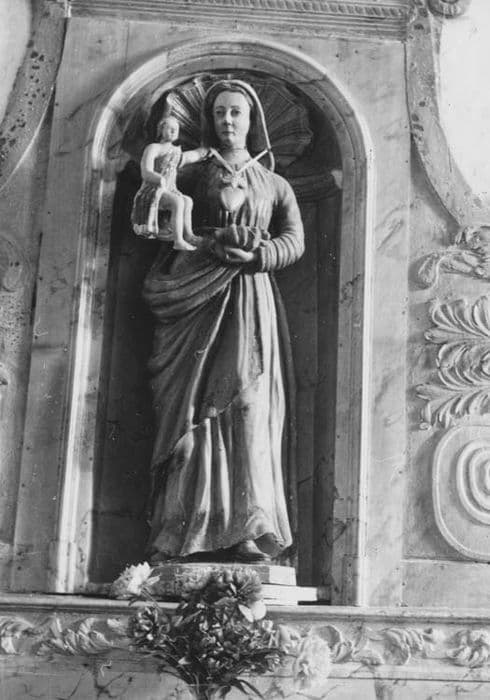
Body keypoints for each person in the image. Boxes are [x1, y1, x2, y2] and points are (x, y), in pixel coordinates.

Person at [143, 79, 305, 563]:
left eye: (236, 112)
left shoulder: (275, 184)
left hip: (250, 295)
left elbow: (294, 240)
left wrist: (259, 254)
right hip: (194, 291)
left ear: (253, 120)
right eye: (219, 113)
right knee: (191, 413)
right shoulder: (192, 171)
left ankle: (248, 529)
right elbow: (155, 211)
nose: (228, 120)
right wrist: (204, 238)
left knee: (249, 404)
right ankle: (180, 531)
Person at [131, 115, 208, 250]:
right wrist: (159, 179)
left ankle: (189, 235)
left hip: (169, 190)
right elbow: (146, 172)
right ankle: (178, 241)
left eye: (176, 129)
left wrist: (206, 149)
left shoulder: (176, 152)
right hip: (152, 191)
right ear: (161, 130)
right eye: (170, 128)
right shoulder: (153, 148)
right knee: (177, 202)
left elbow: (191, 157)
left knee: (187, 201)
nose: (173, 131)